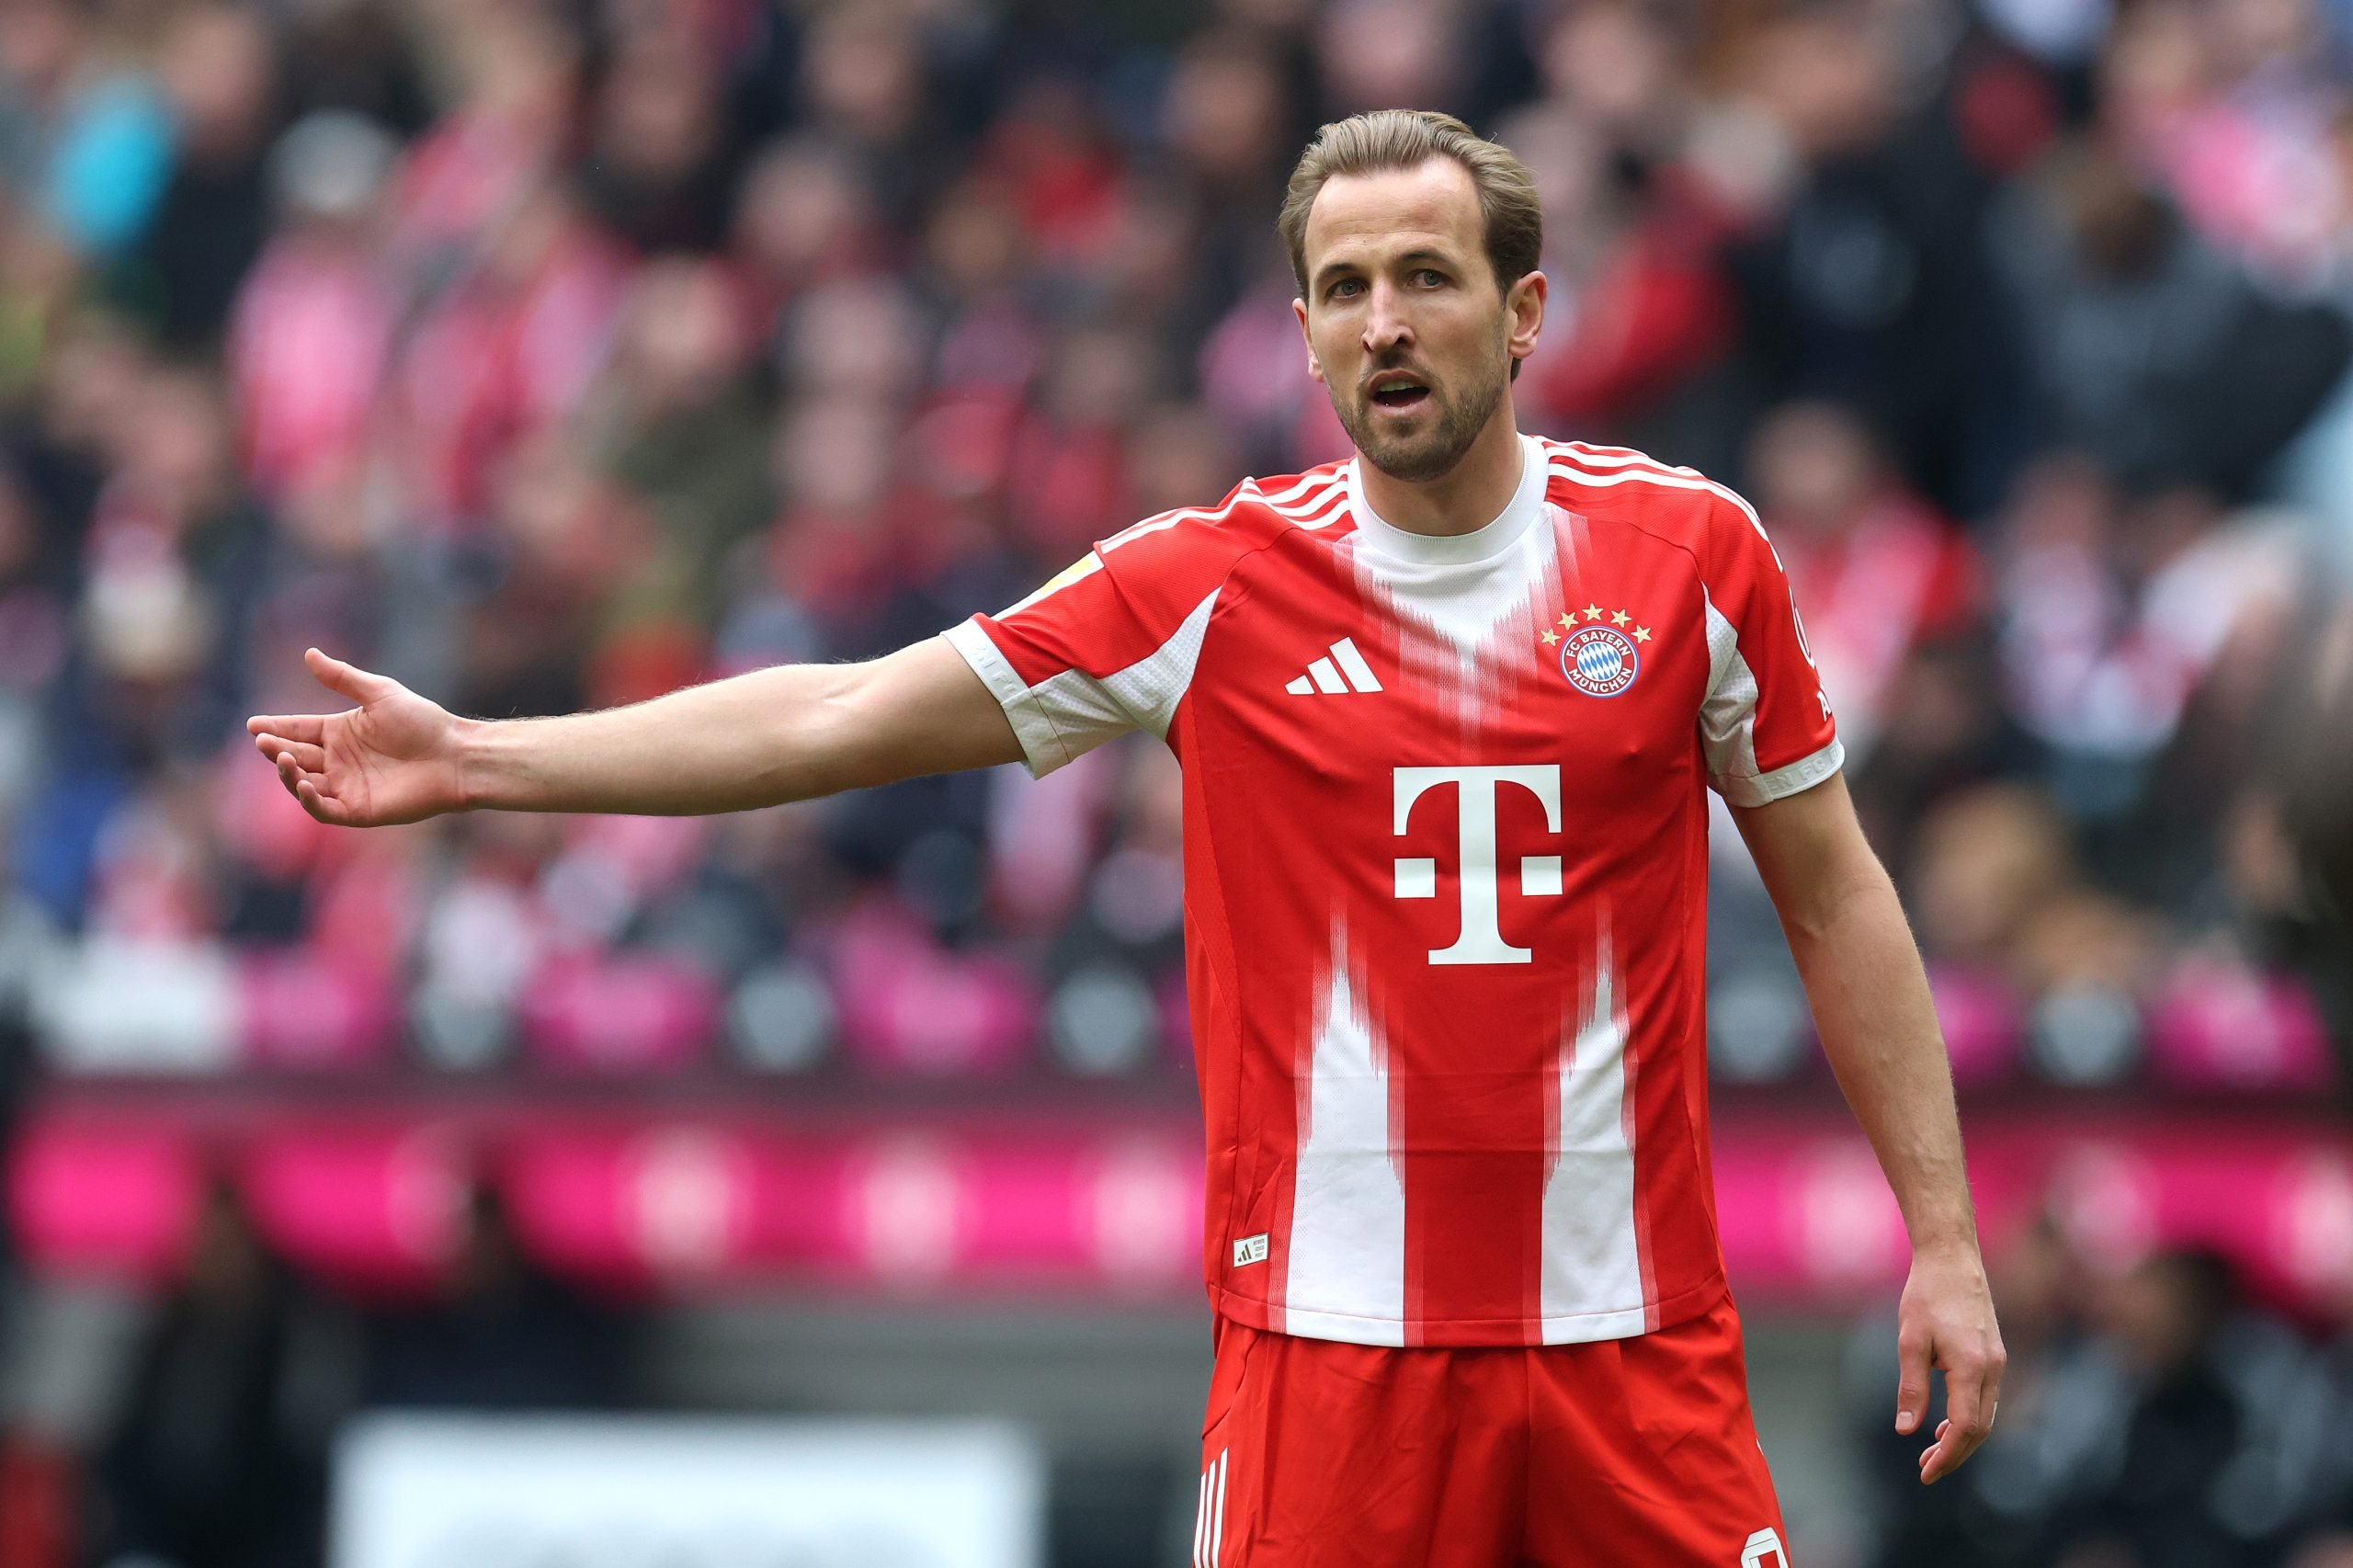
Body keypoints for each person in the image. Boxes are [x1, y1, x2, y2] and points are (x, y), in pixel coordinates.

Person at [246, 108, 2004, 1566]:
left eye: (1425, 276)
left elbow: (1836, 893)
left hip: (1634, 1348)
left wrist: (1941, 1235)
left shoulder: (1692, 555)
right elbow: (837, 714)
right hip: (1328, 1368)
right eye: (1343, 289)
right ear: (1303, 333)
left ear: (1524, 308)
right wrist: (477, 755)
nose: (1383, 322)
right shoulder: (1209, 585)